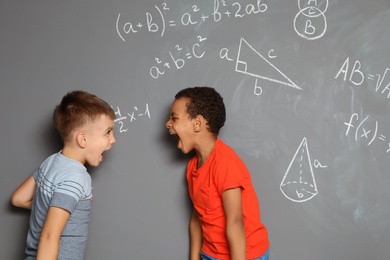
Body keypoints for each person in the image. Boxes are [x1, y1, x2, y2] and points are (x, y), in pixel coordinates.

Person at [166, 86, 270, 260]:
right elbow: (197, 217)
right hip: (210, 254)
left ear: (197, 124)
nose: (168, 124)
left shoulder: (225, 164)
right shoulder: (193, 167)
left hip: (245, 255)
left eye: (174, 118)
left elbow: (235, 223)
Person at [11, 90, 116, 260]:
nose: (113, 140)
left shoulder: (52, 162)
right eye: (108, 132)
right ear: (82, 139)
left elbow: (19, 199)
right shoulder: (76, 177)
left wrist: (65, 207)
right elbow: (49, 236)